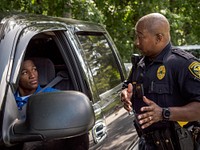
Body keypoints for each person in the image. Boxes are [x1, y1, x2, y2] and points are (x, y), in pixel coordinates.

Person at [121, 13, 200, 149]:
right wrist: (125, 93)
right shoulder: (140, 64)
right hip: (146, 143)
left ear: (159, 38)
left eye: (141, 37)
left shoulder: (183, 64)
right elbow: (128, 85)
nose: (136, 42)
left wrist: (164, 113)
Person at [13, 58, 89, 150]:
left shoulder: (52, 95)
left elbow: (74, 113)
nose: (32, 75)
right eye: (25, 72)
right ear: (16, 78)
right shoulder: (7, 99)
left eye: (34, 69)